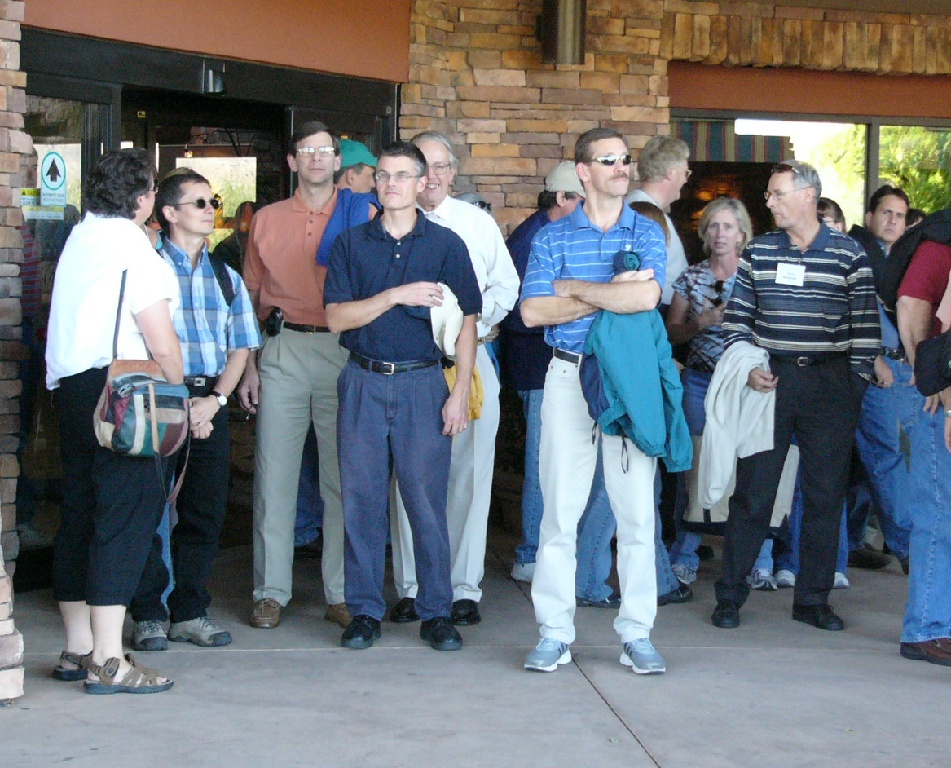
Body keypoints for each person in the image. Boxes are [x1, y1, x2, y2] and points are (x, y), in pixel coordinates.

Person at [520, 127, 669, 675]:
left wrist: (575, 289)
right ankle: (554, 633)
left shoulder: (646, 229)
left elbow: (647, 297)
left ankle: (637, 634)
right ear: (583, 171)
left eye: (625, 159)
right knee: (559, 513)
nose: (621, 168)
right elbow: (532, 312)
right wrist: (612, 295)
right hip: (566, 376)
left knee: (636, 514)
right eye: (609, 160)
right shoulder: (552, 237)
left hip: (627, 379)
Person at [324, 141, 481, 652]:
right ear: (375, 182)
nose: (391, 184)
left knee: (426, 504)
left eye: (402, 175)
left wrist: (459, 391)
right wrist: (395, 295)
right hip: (363, 381)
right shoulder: (351, 243)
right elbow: (335, 318)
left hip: (423, 384)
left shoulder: (446, 244)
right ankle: (365, 611)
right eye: (384, 175)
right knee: (361, 502)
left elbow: (469, 320)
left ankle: (436, 612)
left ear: (421, 183)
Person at [711, 161, 879, 632]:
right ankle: (730, 596)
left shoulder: (849, 254)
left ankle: (812, 601)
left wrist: (854, 386)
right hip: (772, 380)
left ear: (808, 196)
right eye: (769, 194)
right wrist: (748, 368)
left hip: (830, 384)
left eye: (777, 193)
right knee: (754, 494)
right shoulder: (760, 251)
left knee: (825, 497)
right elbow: (738, 319)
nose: (769, 202)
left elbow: (866, 327)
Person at [45, 148, 182, 693]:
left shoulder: (78, 240)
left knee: (79, 513)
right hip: (122, 396)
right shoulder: (135, 250)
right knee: (122, 520)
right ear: (144, 199)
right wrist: (177, 380)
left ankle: (77, 648)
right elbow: (161, 342)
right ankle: (108, 660)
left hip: (72, 390)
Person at [239, 121, 373, 631]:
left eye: (325, 150)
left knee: (343, 477)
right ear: (292, 161)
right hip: (284, 348)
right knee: (275, 475)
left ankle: (340, 592)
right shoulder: (266, 220)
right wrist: (249, 363)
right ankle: (270, 592)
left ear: (338, 161)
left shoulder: (365, 215)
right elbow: (250, 298)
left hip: (344, 349)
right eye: (306, 150)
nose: (316, 158)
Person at [126, 170, 261, 652]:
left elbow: (241, 346)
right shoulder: (145, 267)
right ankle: (148, 614)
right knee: (148, 510)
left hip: (210, 403)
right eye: (199, 202)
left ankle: (189, 611)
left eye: (213, 201)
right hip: (157, 398)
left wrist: (216, 400)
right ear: (169, 212)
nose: (210, 210)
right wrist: (179, 400)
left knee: (204, 513)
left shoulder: (225, 276)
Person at [388, 130, 518, 627]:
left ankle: (463, 587)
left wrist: (475, 328)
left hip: (472, 360)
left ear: (452, 173)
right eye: (423, 167)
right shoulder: (388, 226)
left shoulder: (475, 223)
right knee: (409, 478)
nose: (432, 177)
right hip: (408, 364)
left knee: (469, 476)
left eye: (441, 167)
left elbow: (507, 285)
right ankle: (412, 587)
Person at [664, 198, 781, 588]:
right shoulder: (691, 277)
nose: (719, 234)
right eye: (713, 226)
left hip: (749, 384)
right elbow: (670, 334)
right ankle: (685, 555)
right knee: (695, 468)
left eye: (727, 226)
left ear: (742, 233)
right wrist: (704, 321)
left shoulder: (757, 275)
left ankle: (759, 559)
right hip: (702, 382)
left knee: (754, 467)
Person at [500, 161, 584, 585]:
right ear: (563, 198)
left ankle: (540, 551)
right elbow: (517, 314)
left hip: (543, 364)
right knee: (541, 462)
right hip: (538, 365)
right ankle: (530, 554)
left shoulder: (546, 231)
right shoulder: (534, 238)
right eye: (582, 199)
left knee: (550, 461)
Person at [846, 185, 913, 573]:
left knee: (865, 462)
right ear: (869, 217)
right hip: (873, 366)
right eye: (886, 213)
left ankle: (853, 540)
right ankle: (909, 547)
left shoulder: (896, 258)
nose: (892, 221)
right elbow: (853, 311)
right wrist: (874, 358)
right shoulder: (857, 253)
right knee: (886, 455)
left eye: (899, 215)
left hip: (901, 366)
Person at [895, 219, 951, 666]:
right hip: (941, 401)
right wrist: (929, 377)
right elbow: (912, 303)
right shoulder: (941, 241)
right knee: (938, 514)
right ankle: (927, 628)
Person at [625, 135, 690, 308]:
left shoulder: (640, 207)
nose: (686, 179)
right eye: (685, 173)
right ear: (671, 174)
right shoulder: (644, 214)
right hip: (657, 311)